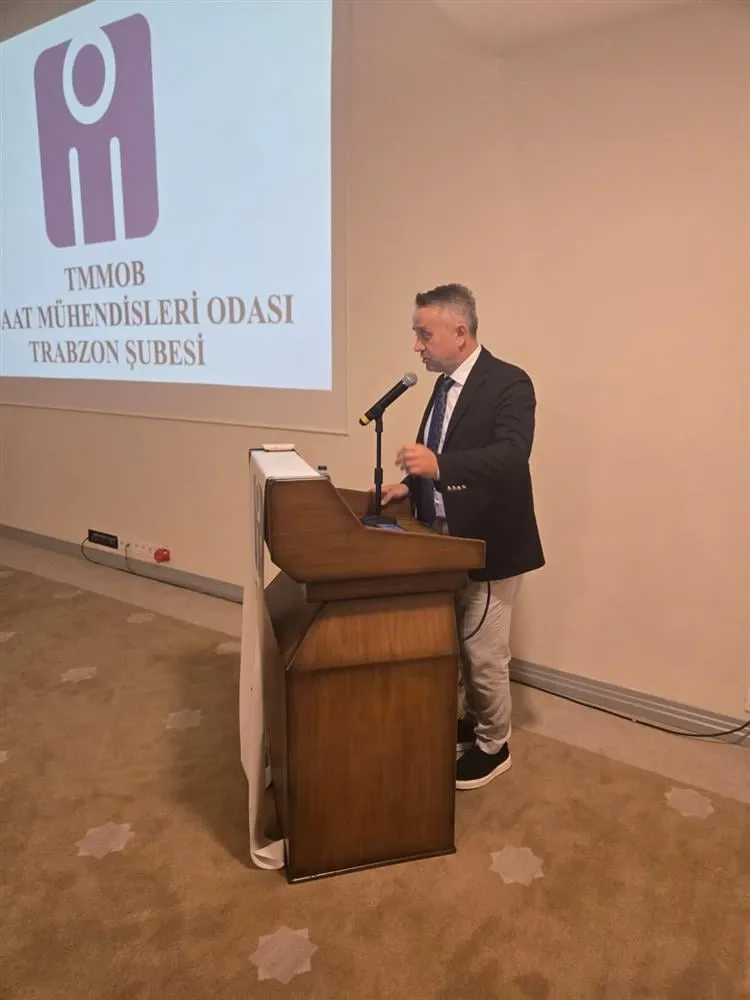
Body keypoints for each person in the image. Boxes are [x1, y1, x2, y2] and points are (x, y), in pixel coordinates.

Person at [381, 283, 544, 790]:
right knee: (459, 642)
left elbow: (512, 455)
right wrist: (408, 487)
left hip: (489, 542)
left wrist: (440, 467)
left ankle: (495, 745)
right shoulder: (443, 385)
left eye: (423, 334)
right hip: (444, 541)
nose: (417, 345)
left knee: (484, 652)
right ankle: (473, 721)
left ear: (459, 332)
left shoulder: (510, 382)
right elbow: (438, 454)